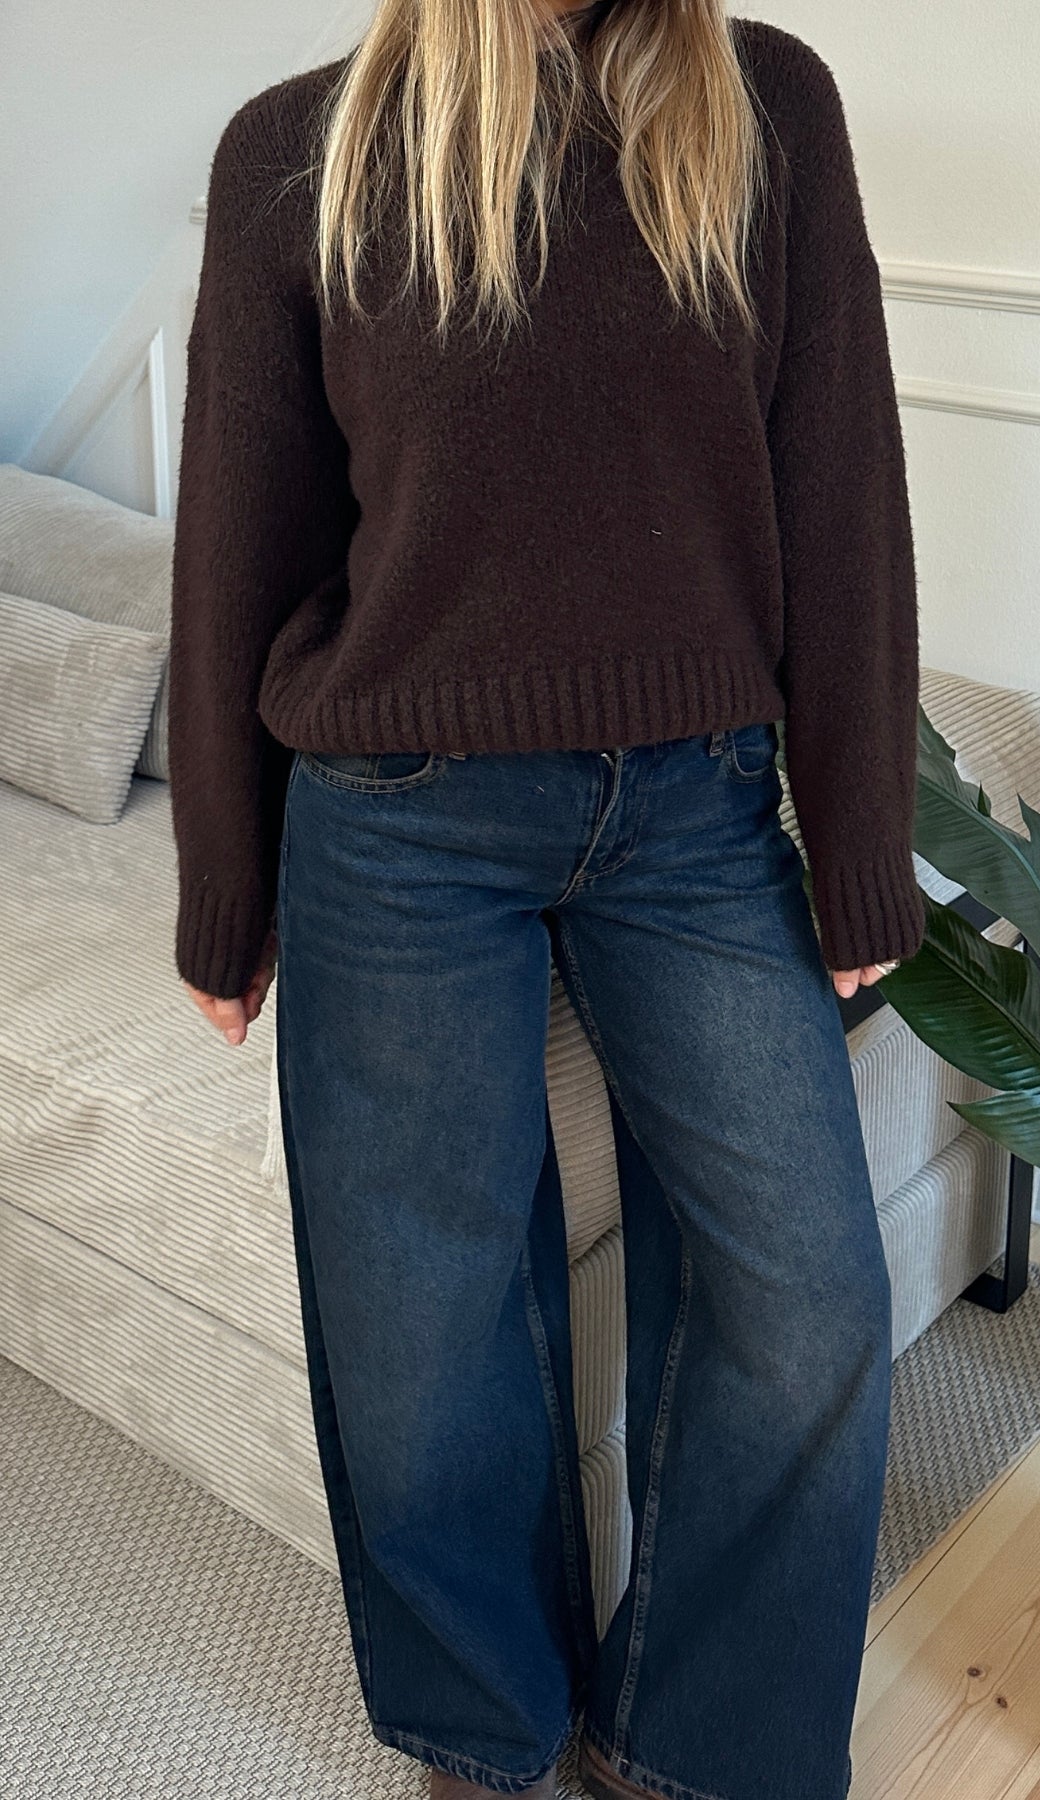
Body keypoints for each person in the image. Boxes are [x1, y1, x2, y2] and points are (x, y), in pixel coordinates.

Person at [167, 2, 926, 1796]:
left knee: (808, 1293)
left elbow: (841, 487)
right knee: (417, 1327)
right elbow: (237, 543)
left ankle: (699, 1749)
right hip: (396, 824)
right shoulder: (299, 153)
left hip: (697, 815)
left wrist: (859, 839)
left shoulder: (767, 107)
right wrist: (226, 885)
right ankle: (488, 1736)